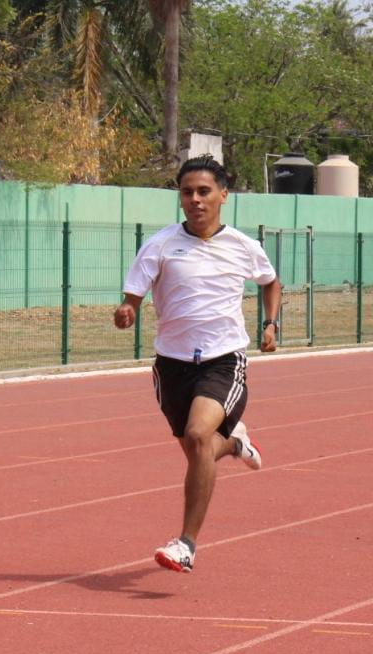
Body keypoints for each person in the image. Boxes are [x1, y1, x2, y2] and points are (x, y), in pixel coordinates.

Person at [113, 155, 282, 573]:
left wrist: (271, 322)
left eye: (204, 191)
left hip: (223, 360)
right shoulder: (161, 244)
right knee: (195, 447)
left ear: (223, 196)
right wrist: (127, 310)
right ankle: (237, 443)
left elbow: (271, 281)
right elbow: (133, 293)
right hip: (172, 363)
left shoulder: (244, 246)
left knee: (197, 433)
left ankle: (186, 543)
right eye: (187, 192)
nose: (195, 200)